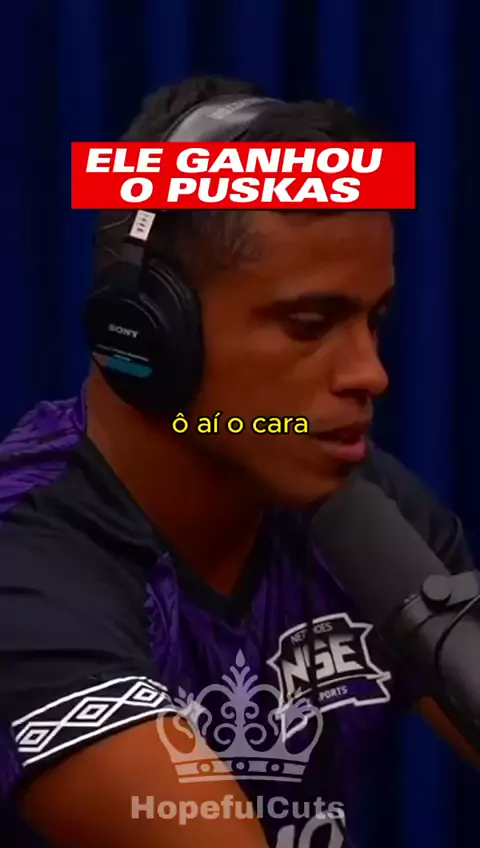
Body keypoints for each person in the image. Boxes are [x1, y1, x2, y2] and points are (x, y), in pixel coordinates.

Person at [0, 76, 477, 848]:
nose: (371, 373)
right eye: (310, 324)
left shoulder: (365, 504)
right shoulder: (22, 560)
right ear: (147, 335)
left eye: (375, 320)